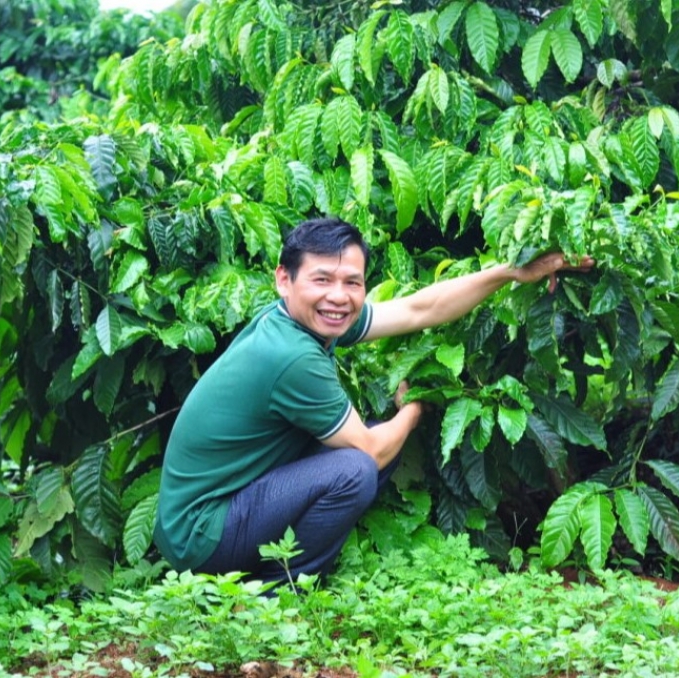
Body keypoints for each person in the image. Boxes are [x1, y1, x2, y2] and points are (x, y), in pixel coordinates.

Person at [153, 217, 593, 584]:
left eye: (352, 282)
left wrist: (509, 272)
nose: (338, 296)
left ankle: (265, 573)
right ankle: (277, 592)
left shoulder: (299, 318)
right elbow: (370, 450)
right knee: (358, 465)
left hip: (210, 517)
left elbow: (419, 310)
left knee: (365, 445)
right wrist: (413, 411)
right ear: (283, 279)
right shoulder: (290, 356)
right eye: (321, 279)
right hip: (201, 535)